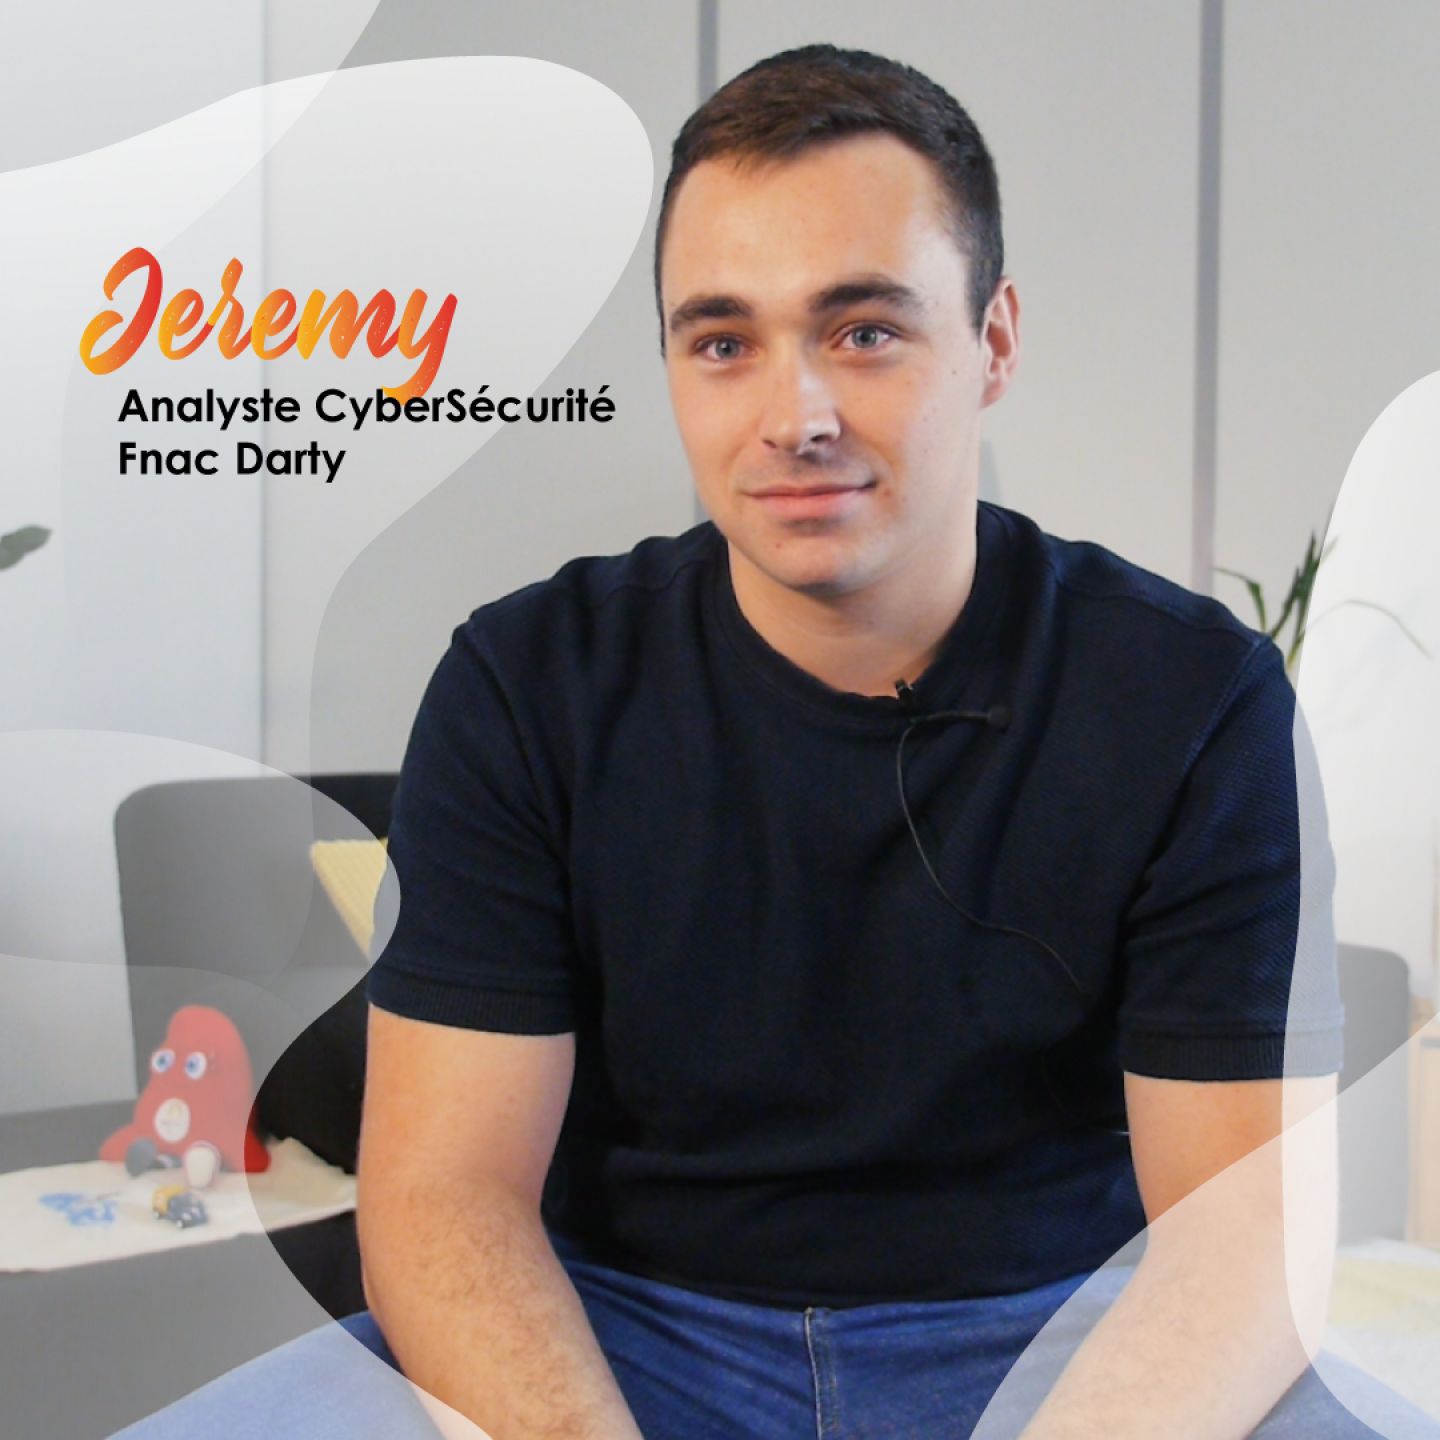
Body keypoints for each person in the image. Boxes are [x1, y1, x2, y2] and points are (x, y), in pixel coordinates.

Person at [115, 44, 1437, 1440]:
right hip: (615, 1332)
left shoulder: (1194, 698)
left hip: (1063, 1341)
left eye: (864, 331)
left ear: (992, 342)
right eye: (724, 343)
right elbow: (447, 1197)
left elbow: (1239, 1241)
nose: (793, 417)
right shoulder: (526, 684)